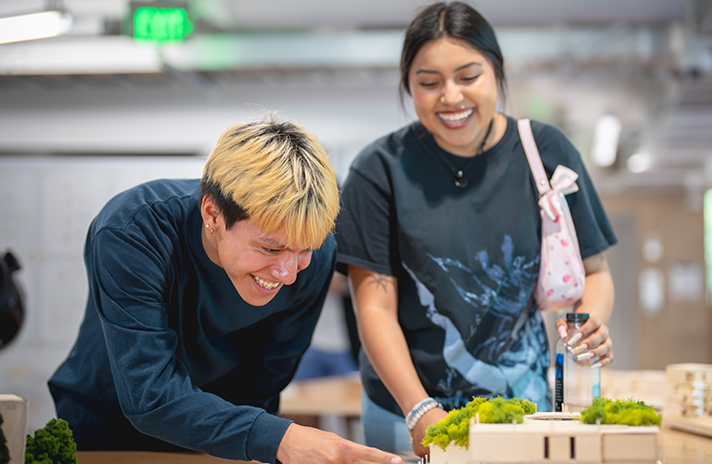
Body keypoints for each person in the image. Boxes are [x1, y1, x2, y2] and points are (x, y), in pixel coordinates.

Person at [335, 2, 618, 457]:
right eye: (429, 83)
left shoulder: (545, 149)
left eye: (469, 77)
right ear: (409, 85)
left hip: (524, 410)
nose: (451, 97)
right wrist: (418, 409)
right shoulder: (379, 169)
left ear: (497, 73)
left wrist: (588, 323)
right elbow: (374, 308)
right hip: (408, 409)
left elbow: (596, 271)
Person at [48, 115, 401, 464]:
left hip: (225, 436)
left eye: (304, 250)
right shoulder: (133, 231)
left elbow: (267, 378)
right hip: (107, 432)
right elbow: (149, 394)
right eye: (270, 248)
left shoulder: (315, 256)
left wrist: (256, 438)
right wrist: (280, 438)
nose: (288, 274)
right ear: (213, 215)